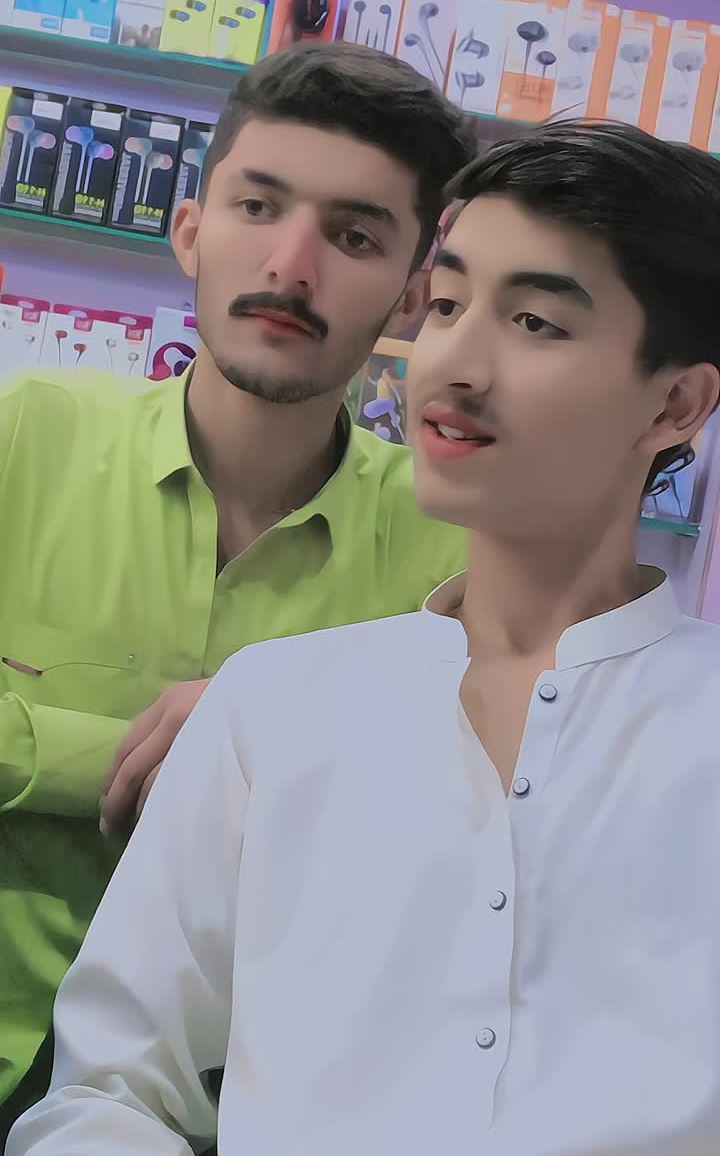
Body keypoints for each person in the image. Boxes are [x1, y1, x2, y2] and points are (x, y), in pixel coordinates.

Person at [11, 119, 720, 1156]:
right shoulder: (275, 705)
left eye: (534, 321)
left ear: (677, 403)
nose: (455, 363)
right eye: (447, 305)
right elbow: (110, 1087)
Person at [0, 41, 475, 1125]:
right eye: (258, 207)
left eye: (354, 236)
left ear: (414, 295)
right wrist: (212, 761)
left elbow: (457, 848)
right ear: (189, 230)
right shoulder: (22, 436)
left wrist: (272, 724)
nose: (293, 266)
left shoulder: (452, 550)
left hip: (249, 1107)